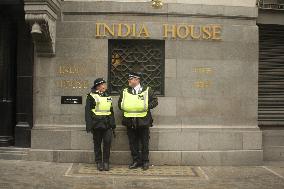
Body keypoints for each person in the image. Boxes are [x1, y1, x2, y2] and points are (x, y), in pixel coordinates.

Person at [118, 72, 158, 170]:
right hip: (130, 120)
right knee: (133, 142)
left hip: (143, 120)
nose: (129, 81)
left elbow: (155, 101)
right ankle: (136, 161)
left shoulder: (147, 90)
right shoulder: (125, 91)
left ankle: (145, 161)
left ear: (137, 80)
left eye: (131, 79)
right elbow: (120, 103)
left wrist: (146, 106)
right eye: (129, 79)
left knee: (144, 142)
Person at [85, 78, 116, 171]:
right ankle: (99, 162)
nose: (105, 86)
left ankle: (106, 162)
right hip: (96, 124)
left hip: (107, 124)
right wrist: (89, 126)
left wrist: (113, 124)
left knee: (107, 143)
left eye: (104, 85)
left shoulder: (108, 95)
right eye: (103, 85)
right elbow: (87, 112)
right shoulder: (90, 96)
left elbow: (111, 111)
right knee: (97, 144)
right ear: (98, 86)